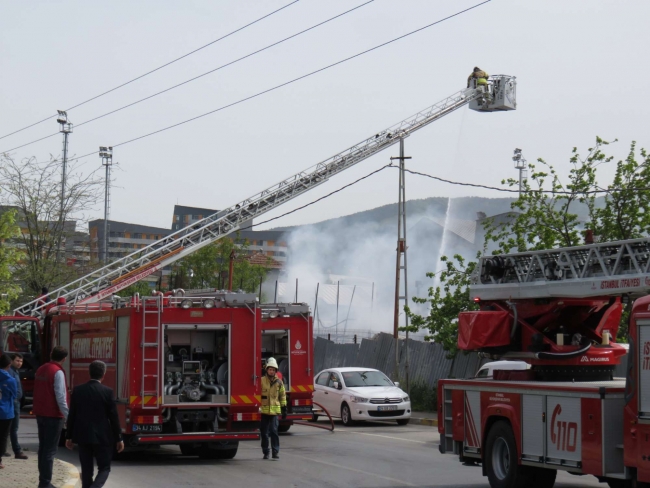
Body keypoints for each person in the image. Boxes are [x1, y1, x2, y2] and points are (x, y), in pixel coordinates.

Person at [66, 360, 123, 488]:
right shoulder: (107, 392)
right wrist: (119, 438)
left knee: (86, 470)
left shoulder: (78, 390)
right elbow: (113, 417)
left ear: (89, 373)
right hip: (102, 436)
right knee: (104, 468)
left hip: (82, 435)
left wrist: (69, 436)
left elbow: (72, 414)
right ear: (103, 374)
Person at [33, 346, 69, 488]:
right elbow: (61, 397)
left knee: (43, 448)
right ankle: (45, 482)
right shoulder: (57, 372)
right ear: (64, 359)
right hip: (53, 415)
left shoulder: (41, 369)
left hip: (40, 413)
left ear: (50, 354)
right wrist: (68, 416)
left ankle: (43, 479)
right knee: (50, 450)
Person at [259, 357, 286, 460]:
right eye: (270, 369)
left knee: (274, 431)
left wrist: (284, 408)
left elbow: (282, 395)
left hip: (274, 412)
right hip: (264, 412)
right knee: (264, 433)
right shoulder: (261, 381)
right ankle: (266, 452)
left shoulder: (279, 382)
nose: (271, 371)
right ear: (267, 370)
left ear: (275, 371)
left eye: (273, 370)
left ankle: (275, 452)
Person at [5, 353, 28, 459]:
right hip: (13, 402)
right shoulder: (10, 371)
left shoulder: (15, 371)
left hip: (15, 402)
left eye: (21, 361)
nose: (19, 363)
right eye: (17, 361)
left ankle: (4, 449)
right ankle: (17, 451)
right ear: (12, 361)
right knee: (13, 428)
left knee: (9, 428)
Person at [0, 354, 17, 470]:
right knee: (3, 436)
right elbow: (15, 395)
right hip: (5, 412)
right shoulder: (11, 380)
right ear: (9, 365)